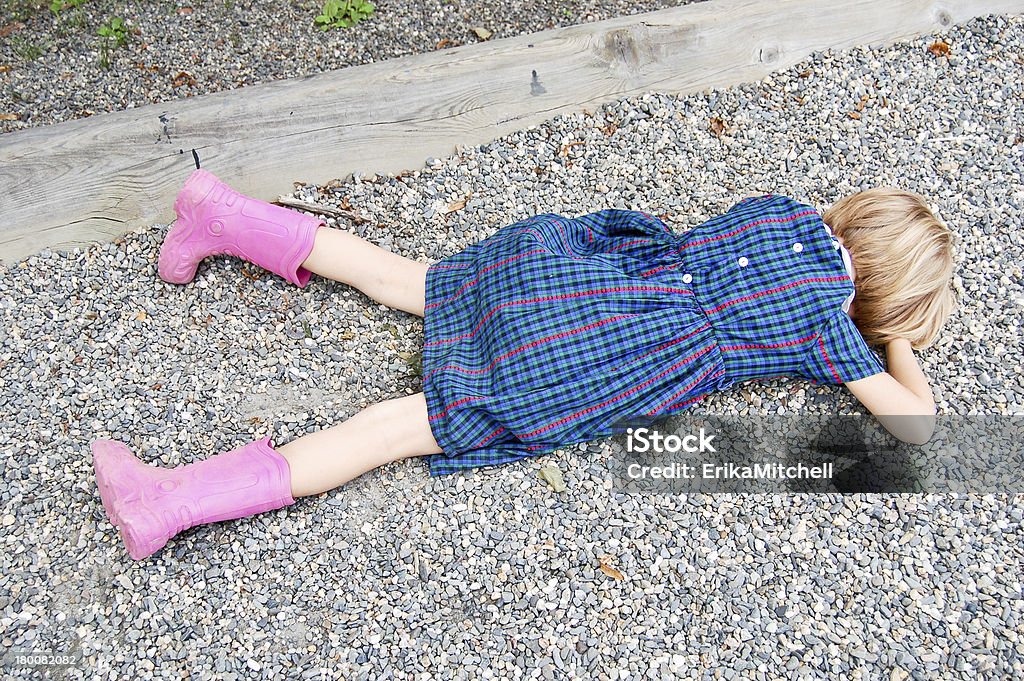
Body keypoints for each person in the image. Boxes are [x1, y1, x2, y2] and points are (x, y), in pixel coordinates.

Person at [91, 168, 956, 560]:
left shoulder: (780, 209)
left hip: (559, 278)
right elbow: (915, 426)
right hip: (585, 356)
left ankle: (221, 216)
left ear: (855, 214)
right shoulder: (825, 328)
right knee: (398, 428)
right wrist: (897, 343)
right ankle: (173, 500)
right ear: (886, 294)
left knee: (408, 277)